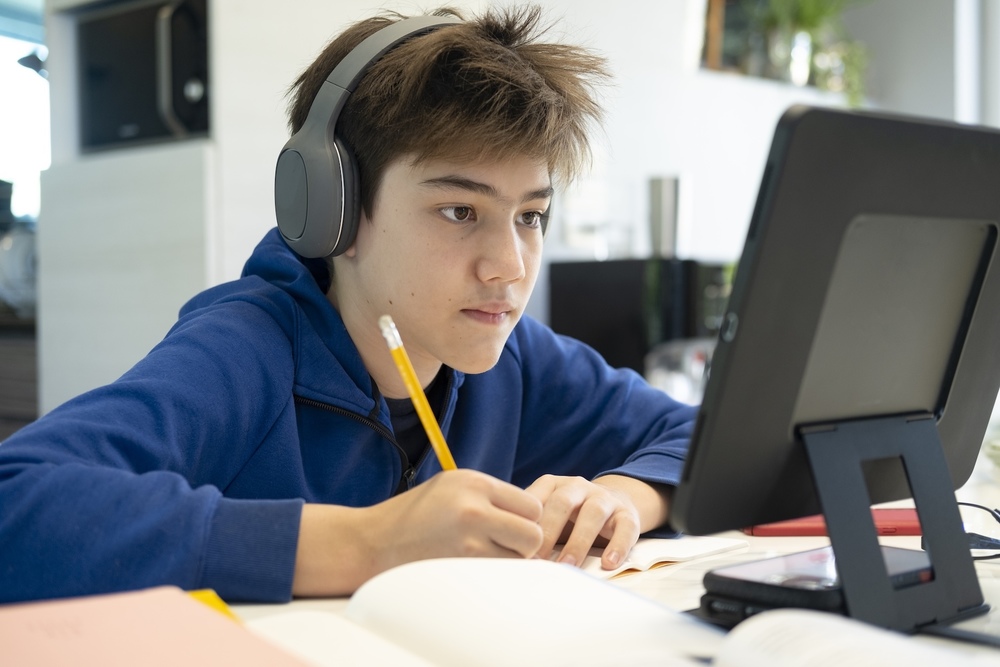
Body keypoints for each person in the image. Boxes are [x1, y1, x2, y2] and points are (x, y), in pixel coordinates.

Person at [0, 4, 696, 603]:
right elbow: (17, 502)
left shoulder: (514, 358)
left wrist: (620, 496)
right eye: (460, 210)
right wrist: (368, 542)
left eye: (530, 216)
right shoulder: (248, 349)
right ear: (332, 210)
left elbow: (706, 436)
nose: (510, 267)